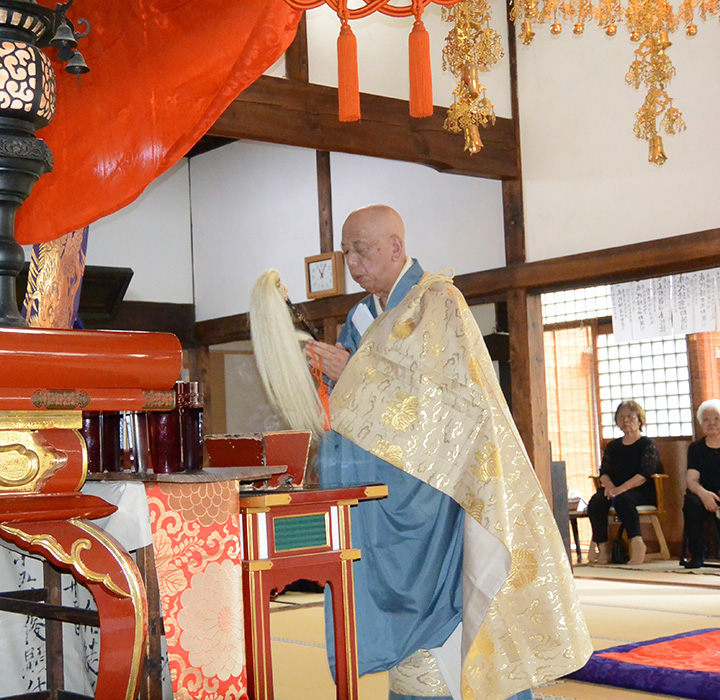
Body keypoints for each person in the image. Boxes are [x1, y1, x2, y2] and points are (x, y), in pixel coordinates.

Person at [304, 204, 591, 700]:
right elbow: (355, 407)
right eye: (346, 251)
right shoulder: (360, 317)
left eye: (363, 249)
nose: (352, 262)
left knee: (459, 627)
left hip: (438, 496)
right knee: (410, 661)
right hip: (385, 498)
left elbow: (444, 405)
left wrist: (352, 373)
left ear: (396, 246)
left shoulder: (436, 303)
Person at [587, 400, 660, 566]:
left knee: (623, 499)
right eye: (621, 417)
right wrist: (610, 487)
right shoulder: (613, 446)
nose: (625, 421)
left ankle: (637, 542)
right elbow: (603, 472)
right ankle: (603, 548)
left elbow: (644, 474)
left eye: (630, 416)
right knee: (596, 501)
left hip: (640, 491)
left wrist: (620, 489)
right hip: (615, 490)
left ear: (640, 420)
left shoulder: (647, 444)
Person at [682, 399, 720, 568]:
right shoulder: (696, 448)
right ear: (700, 424)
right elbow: (691, 479)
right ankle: (697, 554)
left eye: (717, 418)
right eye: (706, 420)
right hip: (703, 492)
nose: (711, 423)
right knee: (692, 502)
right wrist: (704, 494)